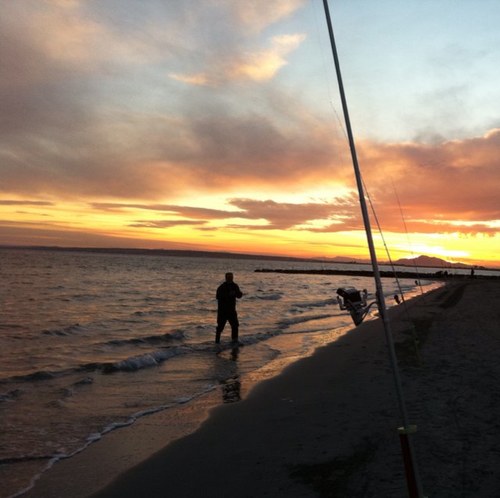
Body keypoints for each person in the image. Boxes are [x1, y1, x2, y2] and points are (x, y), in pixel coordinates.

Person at [215, 272, 243, 344]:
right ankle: (217, 343)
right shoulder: (221, 287)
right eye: (229, 277)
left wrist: (237, 293)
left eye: (231, 277)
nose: (230, 278)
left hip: (232, 311)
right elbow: (218, 297)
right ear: (226, 278)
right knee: (220, 328)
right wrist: (228, 295)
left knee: (235, 326)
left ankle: (235, 341)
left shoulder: (235, 286)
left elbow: (239, 295)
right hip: (223, 311)